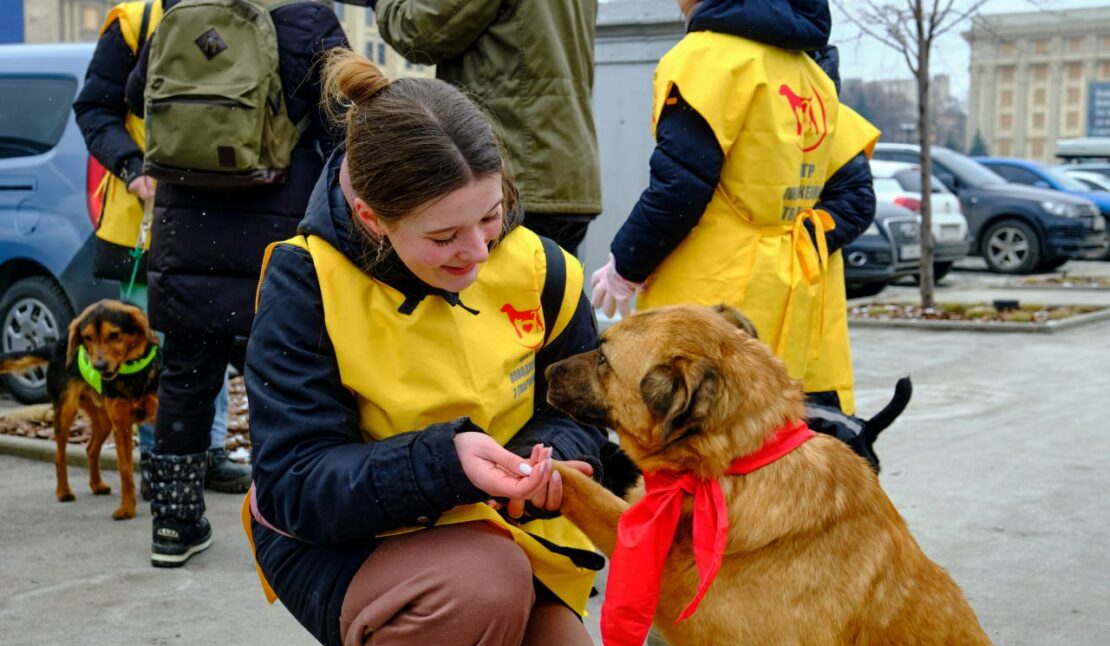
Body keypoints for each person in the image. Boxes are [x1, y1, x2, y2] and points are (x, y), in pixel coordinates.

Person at [243, 50, 623, 646]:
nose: (479, 252)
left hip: (506, 545)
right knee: (482, 579)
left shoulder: (545, 270)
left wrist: (559, 467)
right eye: (445, 236)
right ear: (370, 219)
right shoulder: (305, 280)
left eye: (491, 216)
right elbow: (294, 480)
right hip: (346, 548)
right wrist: (446, 463)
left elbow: (586, 420)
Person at [122, 0, 348, 567]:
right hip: (274, 227)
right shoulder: (308, 19)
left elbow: (135, 96)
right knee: (284, 378)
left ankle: (173, 526)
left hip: (187, 225)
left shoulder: (185, 11)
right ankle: (286, 516)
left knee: (186, 377)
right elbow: (341, 123)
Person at [590, 0, 879, 415]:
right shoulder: (812, 74)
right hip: (792, 293)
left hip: (713, 291)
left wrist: (627, 264)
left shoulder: (707, 59)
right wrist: (807, 241)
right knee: (773, 438)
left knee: (699, 436)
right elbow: (855, 195)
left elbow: (682, 185)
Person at [72, 0, 251, 499]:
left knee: (205, 333)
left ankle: (204, 453)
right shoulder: (135, 22)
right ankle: (161, 459)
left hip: (225, 211)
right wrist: (132, 169)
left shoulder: (253, 12)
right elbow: (94, 108)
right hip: (149, 214)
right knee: (163, 341)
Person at [371, 0, 602, 256]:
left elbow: (417, 30)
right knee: (548, 290)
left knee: (490, 293)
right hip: (564, 169)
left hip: (506, 177)